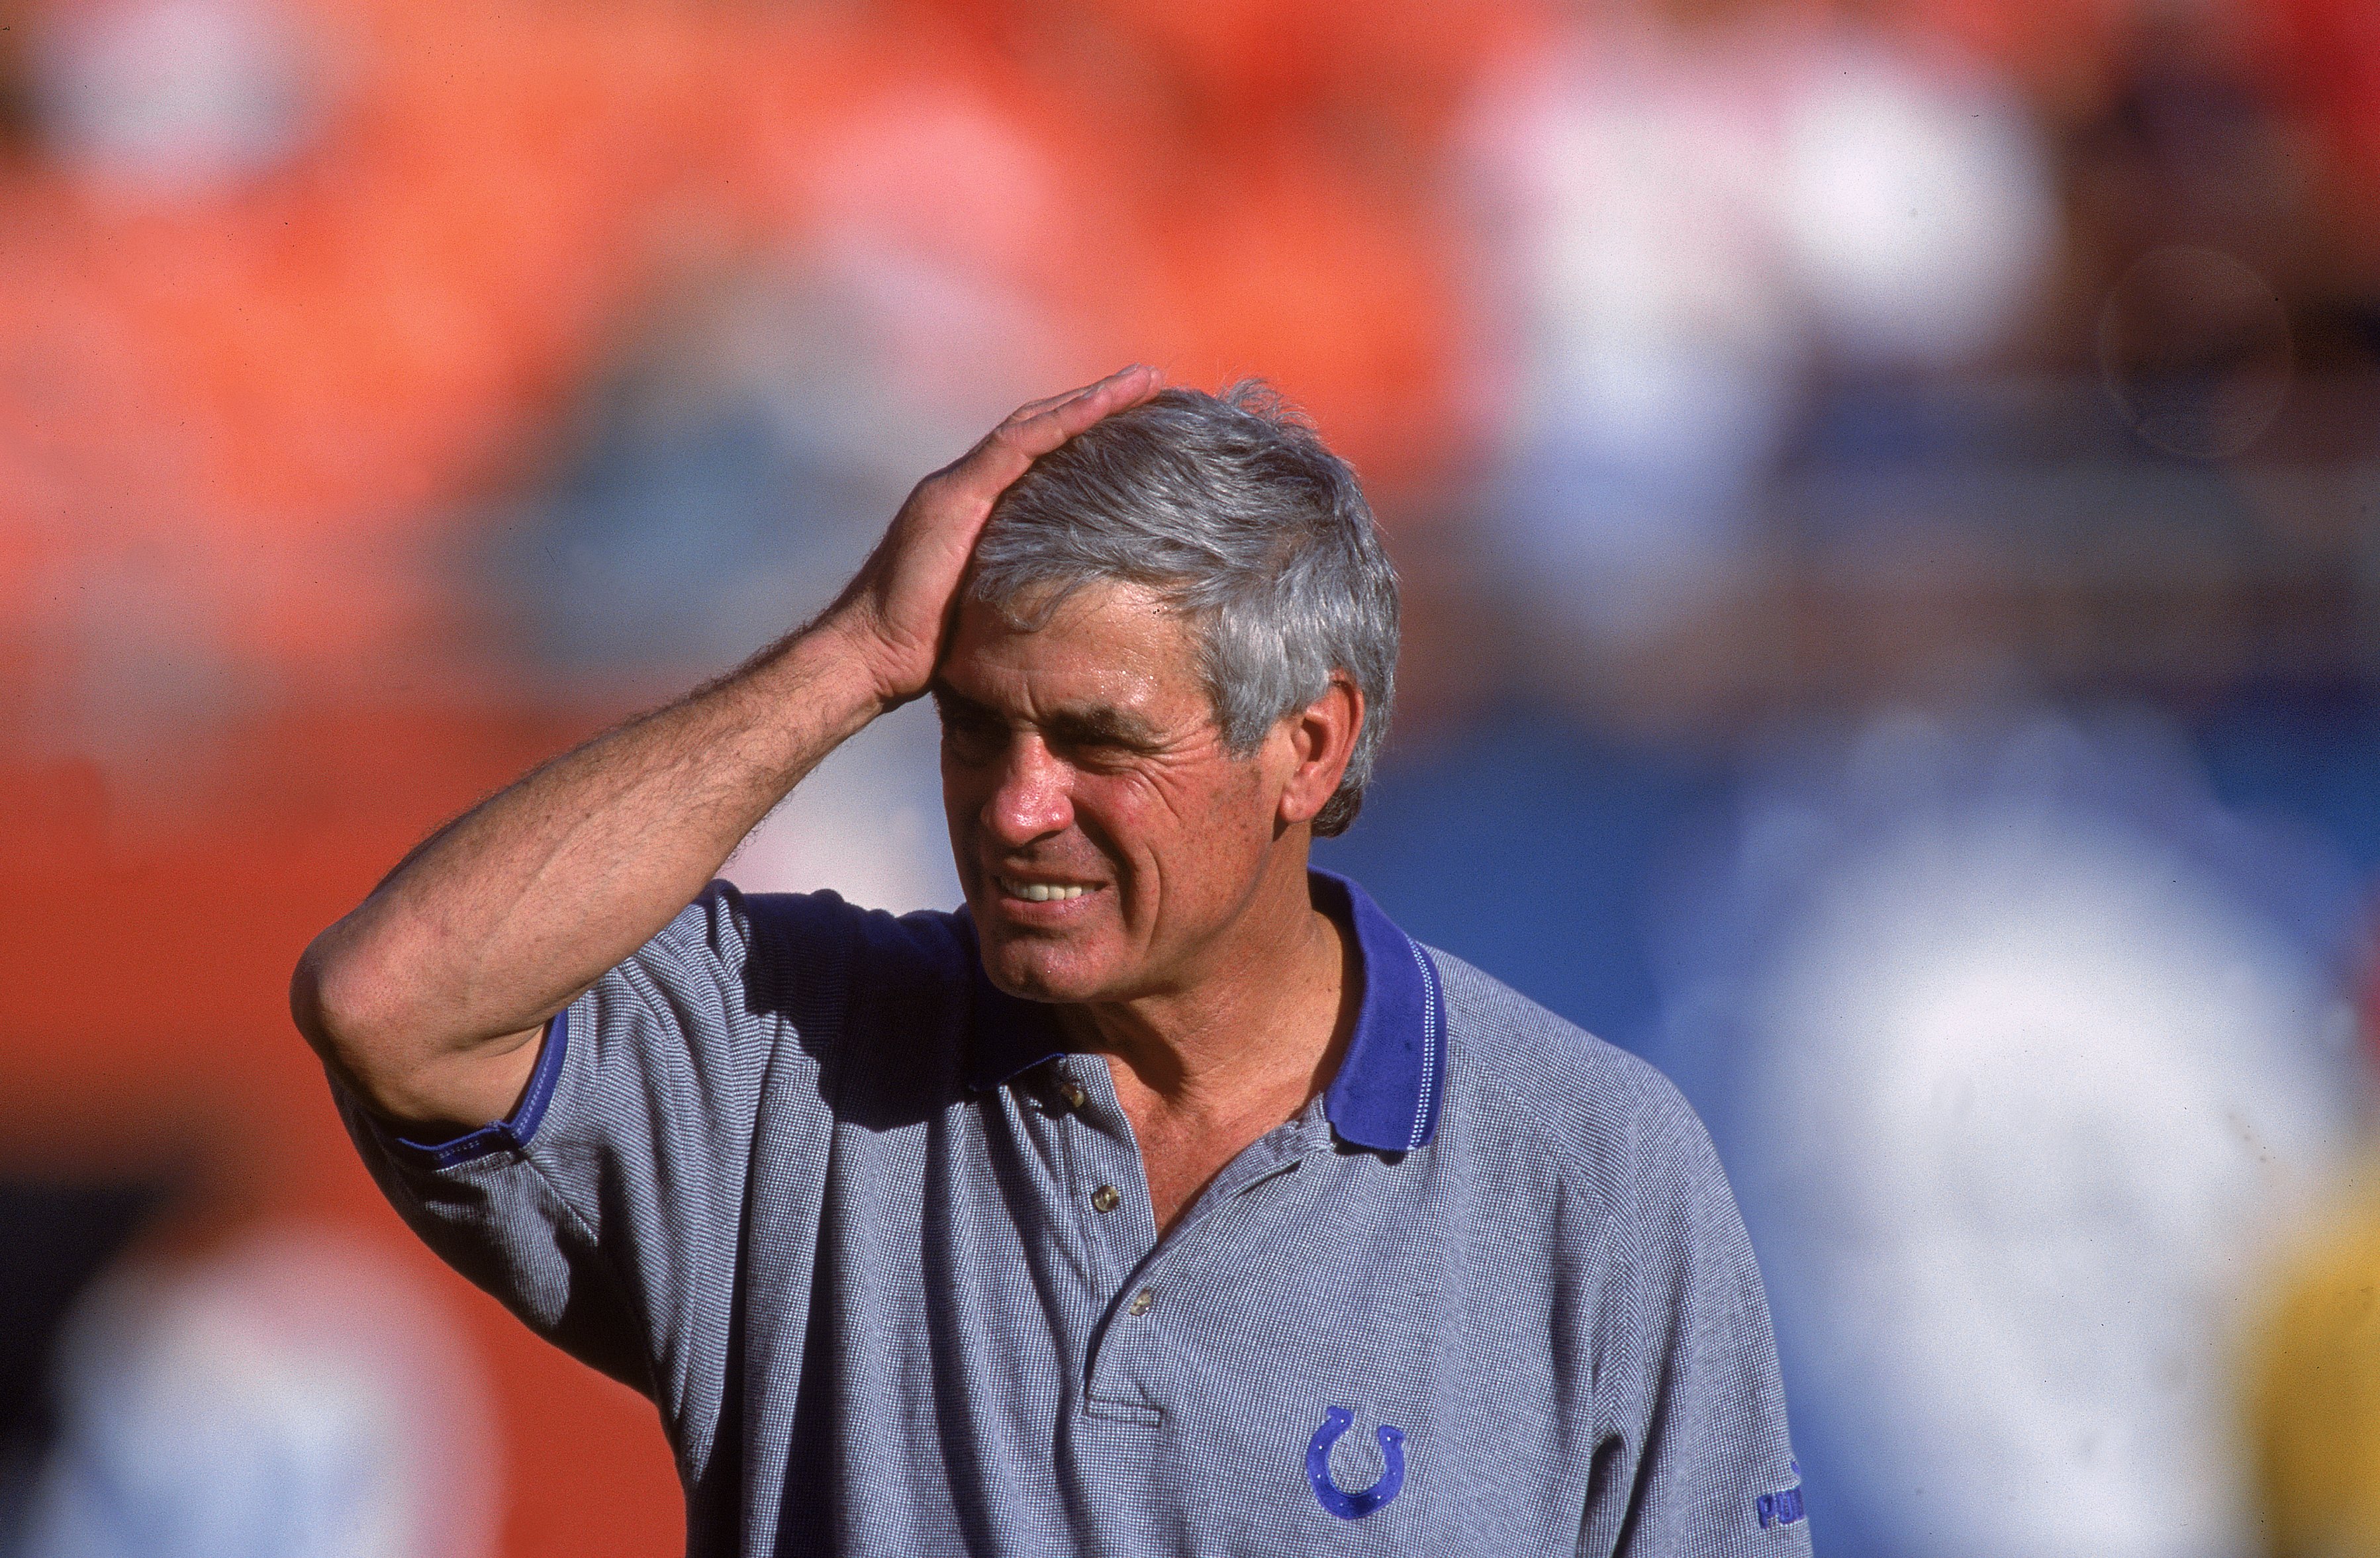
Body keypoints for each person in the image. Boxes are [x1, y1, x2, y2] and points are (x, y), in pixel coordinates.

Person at [293, 367, 1809, 1555]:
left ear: (1310, 745)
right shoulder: (790, 1051)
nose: (1017, 807)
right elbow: (394, 998)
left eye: (1098, 743)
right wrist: (850, 657)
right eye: (968, 725)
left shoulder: (1590, 1170)